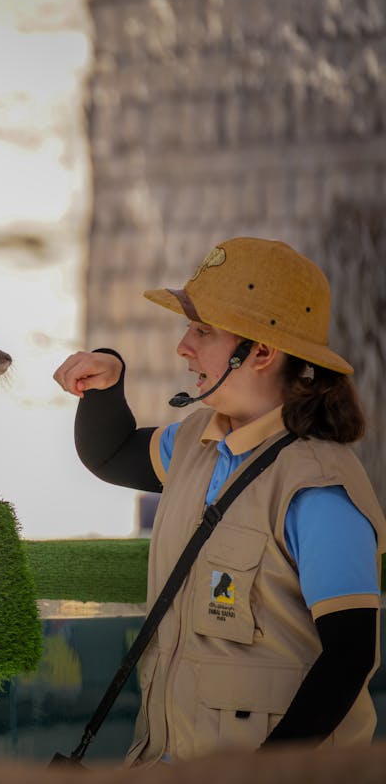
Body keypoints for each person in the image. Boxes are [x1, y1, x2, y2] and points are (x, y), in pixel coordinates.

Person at [52, 236, 385, 764]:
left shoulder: (318, 490)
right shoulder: (195, 441)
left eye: (203, 330)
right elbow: (111, 453)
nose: (184, 346)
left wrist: (264, 774)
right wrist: (108, 378)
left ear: (260, 351)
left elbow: (350, 656)